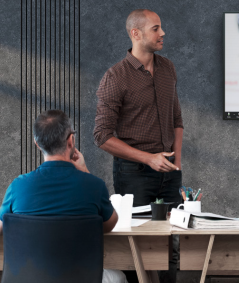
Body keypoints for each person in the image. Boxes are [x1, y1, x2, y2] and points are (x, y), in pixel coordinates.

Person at [93, 9, 184, 283]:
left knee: (173, 243)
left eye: (161, 28)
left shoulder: (168, 67)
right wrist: (148, 159)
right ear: (136, 33)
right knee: (139, 247)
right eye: (156, 28)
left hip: (169, 171)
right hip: (133, 174)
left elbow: (177, 119)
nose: (163, 33)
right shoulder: (116, 77)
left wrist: (176, 161)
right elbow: (102, 135)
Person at [0, 110, 125, 282]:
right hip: (80, 278)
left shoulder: (18, 186)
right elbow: (109, 225)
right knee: (118, 278)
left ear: (37, 144)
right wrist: (85, 172)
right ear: (71, 140)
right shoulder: (94, 186)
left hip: (28, 278)